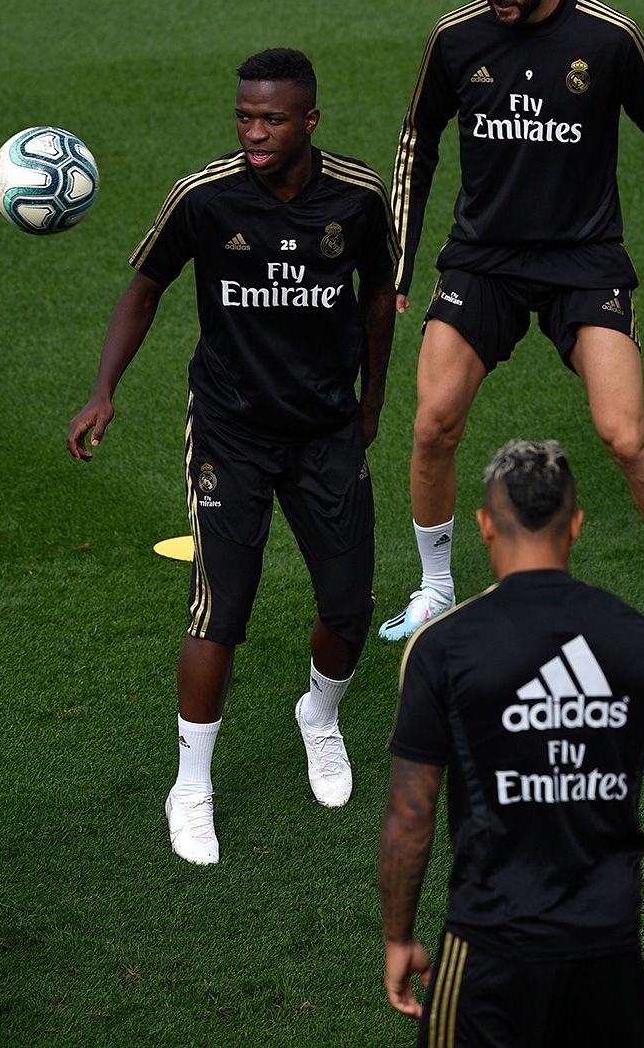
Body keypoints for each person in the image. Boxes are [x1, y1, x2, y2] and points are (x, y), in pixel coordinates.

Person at [67, 48, 398, 865]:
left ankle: (318, 717)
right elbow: (143, 288)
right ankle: (192, 785)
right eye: (245, 116)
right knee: (220, 608)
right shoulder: (205, 197)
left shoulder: (357, 197)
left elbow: (380, 299)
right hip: (231, 432)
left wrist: (373, 401)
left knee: (349, 606)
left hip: (325, 429)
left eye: (272, 119)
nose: (254, 131)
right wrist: (104, 388)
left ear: (309, 121)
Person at [381, 0, 644, 655]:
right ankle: (435, 589)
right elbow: (414, 141)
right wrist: (400, 260)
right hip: (483, 258)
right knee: (432, 422)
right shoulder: (456, 37)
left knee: (624, 435)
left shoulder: (610, 37)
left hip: (583, 260)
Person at [381, 440, 644, 1045]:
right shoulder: (637, 640)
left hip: (486, 949)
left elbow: (412, 812)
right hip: (607, 953)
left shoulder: (443, 650)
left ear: (484, 526)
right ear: (577, 526)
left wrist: (399, 937)